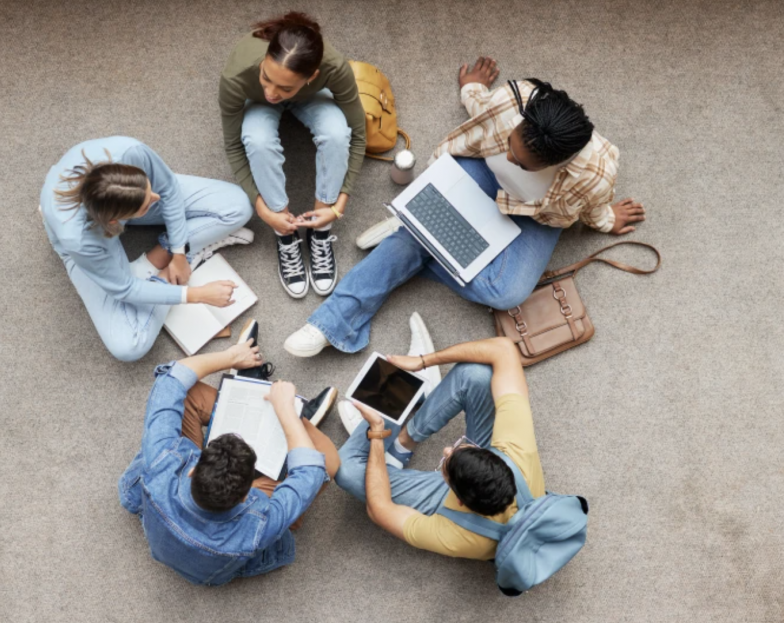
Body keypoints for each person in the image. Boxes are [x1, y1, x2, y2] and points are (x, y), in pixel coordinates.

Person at [284, 57, 646, 357]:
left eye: (520, 161)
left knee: (505, 293)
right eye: (510, 144)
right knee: (429, 239)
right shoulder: (514, 100)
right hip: (477, 173)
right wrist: (472, 88)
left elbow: (593, 206)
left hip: (537, 213)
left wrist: (606, 219)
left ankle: (414, 234)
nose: (508, 155)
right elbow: (482, 109)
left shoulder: (596, 174)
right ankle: (331, 321)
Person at [118, 321, 340, 585]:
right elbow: (313, 472)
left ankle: (253, 394)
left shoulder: (162, 462)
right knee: (328, 458)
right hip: (225, 562)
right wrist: (286, 413)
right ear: (249, 493)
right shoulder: (256, 527)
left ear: (193, 468)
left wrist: (231, 356)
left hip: (159, 514)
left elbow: (172, 379)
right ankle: (288, 418)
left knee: (188, 392)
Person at [40, 136, 253, 362]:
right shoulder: (79, 240)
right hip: (90, 238)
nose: (156, 198)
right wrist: (196, 294)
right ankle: (163, 272)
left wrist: (179, 252)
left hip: (118, 207)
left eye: (148, 188)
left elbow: (168, 189)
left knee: (238, 206)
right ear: (116, 221)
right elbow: (125, 289)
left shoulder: (130, 152)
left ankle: (163, 254)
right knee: (129, 346)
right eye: (147, 204)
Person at [333, 336, 545, 561]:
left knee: (346, 469)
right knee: (476, 374)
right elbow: (503, 348)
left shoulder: (458, 536)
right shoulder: (517, 447)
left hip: (475, 520)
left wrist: (376, 431)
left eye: (445, 463)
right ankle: (401, 445)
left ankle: (390, 417)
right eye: (459, 447)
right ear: (495, 456)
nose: (445, 450)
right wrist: (424, 361)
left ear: (458, 500)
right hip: (498, 483)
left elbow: (379, 510)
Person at [220, 11, 366, 298]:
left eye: (283, 87)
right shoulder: (237, 77)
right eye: (266, 77)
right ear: (262, 63)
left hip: (310, 97)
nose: (273, 92)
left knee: (338, 134)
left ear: (312, 76)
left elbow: (358, 133)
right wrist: (264, 210)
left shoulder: (333, 68)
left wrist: (337, 206)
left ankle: (320, 224)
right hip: (255, 104)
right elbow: (234, 145)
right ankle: (283, 229)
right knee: (256, 141)